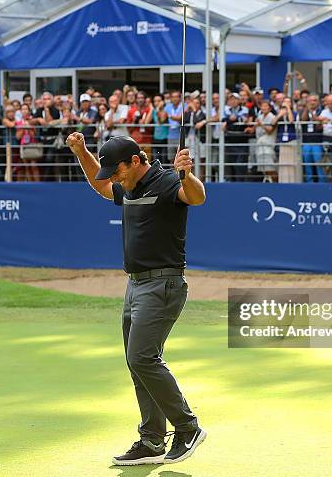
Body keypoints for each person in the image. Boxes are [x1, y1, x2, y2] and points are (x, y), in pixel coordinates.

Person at [66, 132, 207, 466]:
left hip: (163, 284)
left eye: (119, 172)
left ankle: (188, 428)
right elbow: (100, 187)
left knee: (143, 358)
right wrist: (81, 152)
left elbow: (197, 198)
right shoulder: (128, 187)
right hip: (136, 285)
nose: (115, 179)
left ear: (136, 160)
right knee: (137, 362)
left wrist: (187, 173)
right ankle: (152, 440)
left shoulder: (167, 181)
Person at [254, 99, 277, 182]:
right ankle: (267, 180)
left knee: (270, 165)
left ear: (270, 108)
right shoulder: (259, 116)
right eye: (262, 106)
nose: (263, 108)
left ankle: (274, 182)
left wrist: (261, 124)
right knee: (262, 166)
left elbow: (270, 130)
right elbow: (255, 129)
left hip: (268, 143)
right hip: (260, 143)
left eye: (265, 106)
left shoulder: (272, 117)